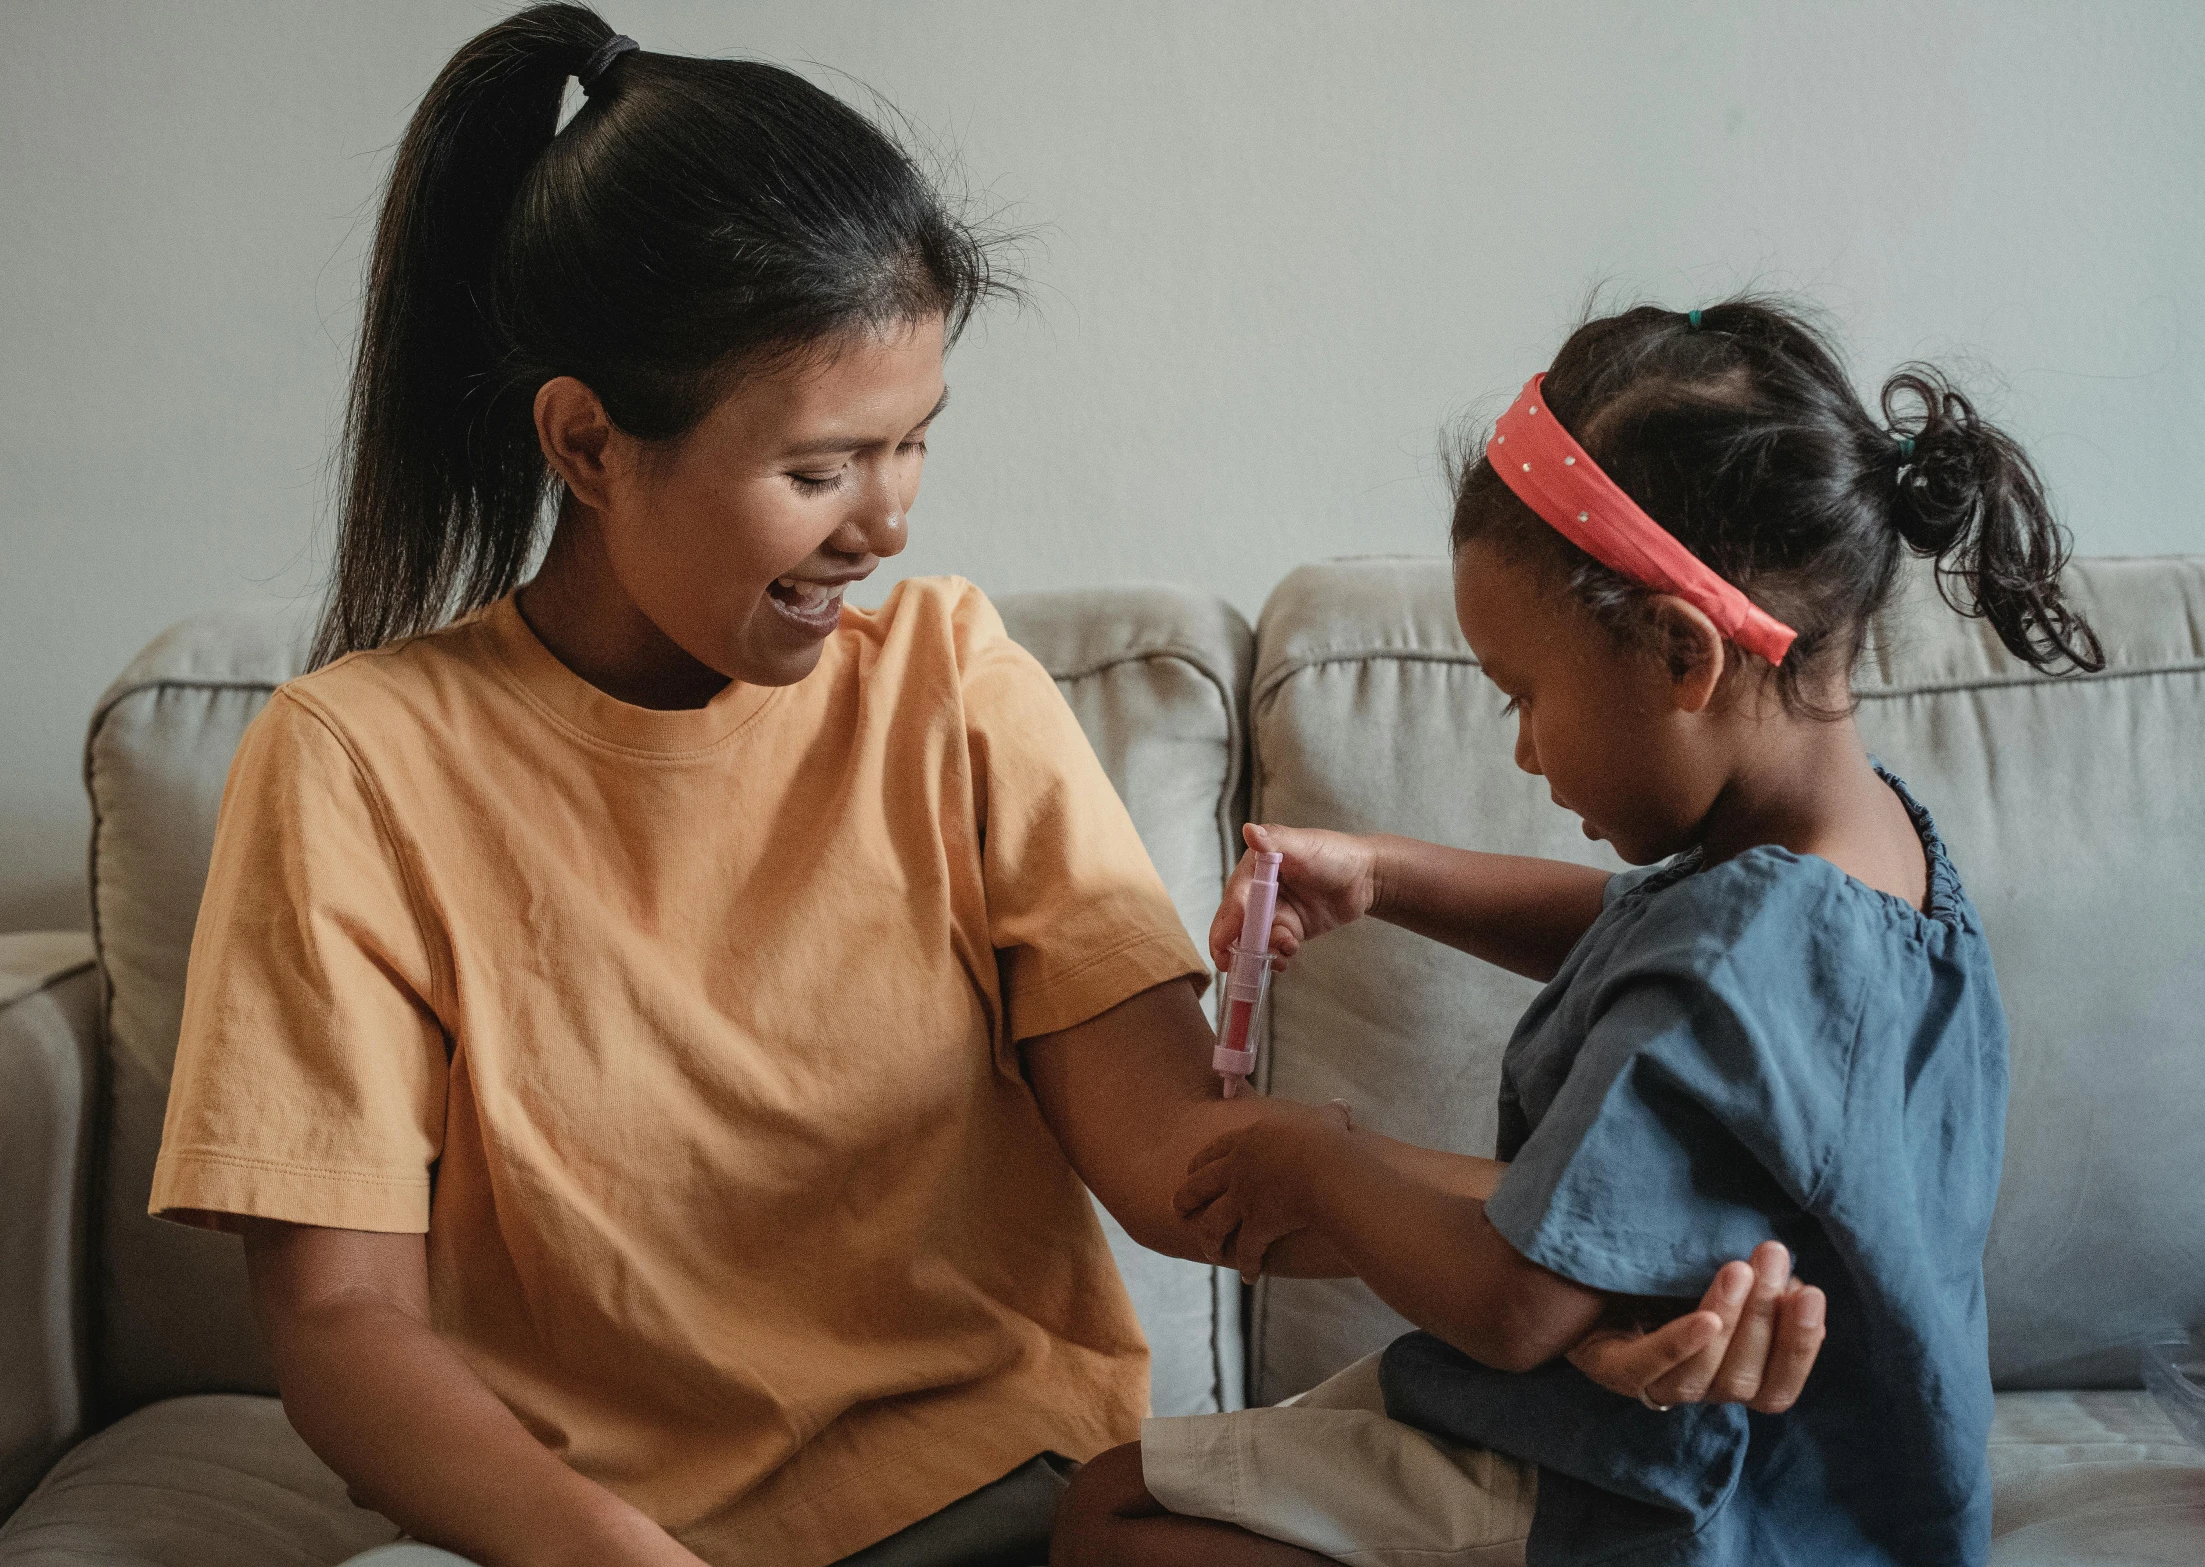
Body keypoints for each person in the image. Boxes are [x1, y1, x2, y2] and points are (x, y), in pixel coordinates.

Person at [147, 12, 1816, 1566]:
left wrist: (1598, 1277)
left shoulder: (949, 689)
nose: (888, 520)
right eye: (818, 467)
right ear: (586, 445)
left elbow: (1187, 1160)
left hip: (1005, 1511)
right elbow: (344, 1329)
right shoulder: (356, 762)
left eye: (914, 438)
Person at [1054, 299, 2106, 1567]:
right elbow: (1644, 938)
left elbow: (1513, 1302)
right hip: (1825, 1506)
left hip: (1663, 1499)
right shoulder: (1870, 862)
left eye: (1526, 697)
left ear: (1679, 655)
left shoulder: (1744, 941)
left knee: (1109, 1514)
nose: (1524, 748)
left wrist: (1317, 1157)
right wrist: (1386, 875)